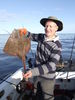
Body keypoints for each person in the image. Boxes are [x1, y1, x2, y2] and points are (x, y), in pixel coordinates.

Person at [22, 16, 63, 100]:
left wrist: (32, 72)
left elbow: (51, 65)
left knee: (47, 97)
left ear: (56, 28)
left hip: (48, 78)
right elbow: (32, 36)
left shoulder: (57, 45)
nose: (47, 28)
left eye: (51, 26)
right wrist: (25, 32)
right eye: (46, 26)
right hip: (37, 74)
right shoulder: (42, 37)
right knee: (36, 94)